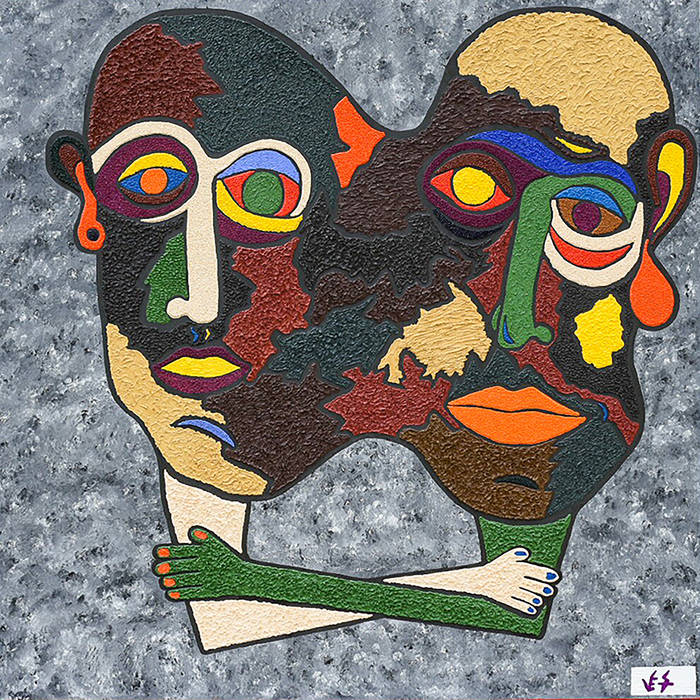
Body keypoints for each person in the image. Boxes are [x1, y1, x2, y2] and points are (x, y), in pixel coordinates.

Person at [46, 8, 695, 651]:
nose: (519, 318)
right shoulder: (210, 383)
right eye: (151, 182)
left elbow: (518, 612)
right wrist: (472, 583)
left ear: (659, 206)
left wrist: (247, 578)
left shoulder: (546, 406)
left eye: (587, 216)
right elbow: (222, 622)